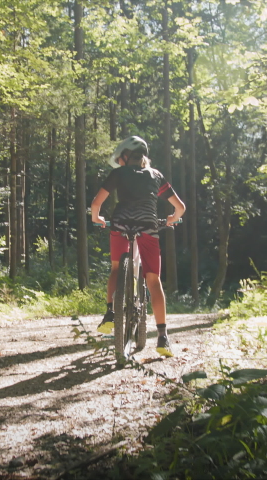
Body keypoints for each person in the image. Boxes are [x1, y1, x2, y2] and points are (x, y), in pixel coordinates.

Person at [90, 136, 185, 357]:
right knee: (153, 280)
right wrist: (171, 218)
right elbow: (180, 207)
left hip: (121, 222)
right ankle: (162, 338)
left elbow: (96, 203)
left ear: (125, 156)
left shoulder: (118, 174)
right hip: (147, 225)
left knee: (116, 268)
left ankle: (110, 314)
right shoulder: (156, 175)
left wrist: (97, 218)